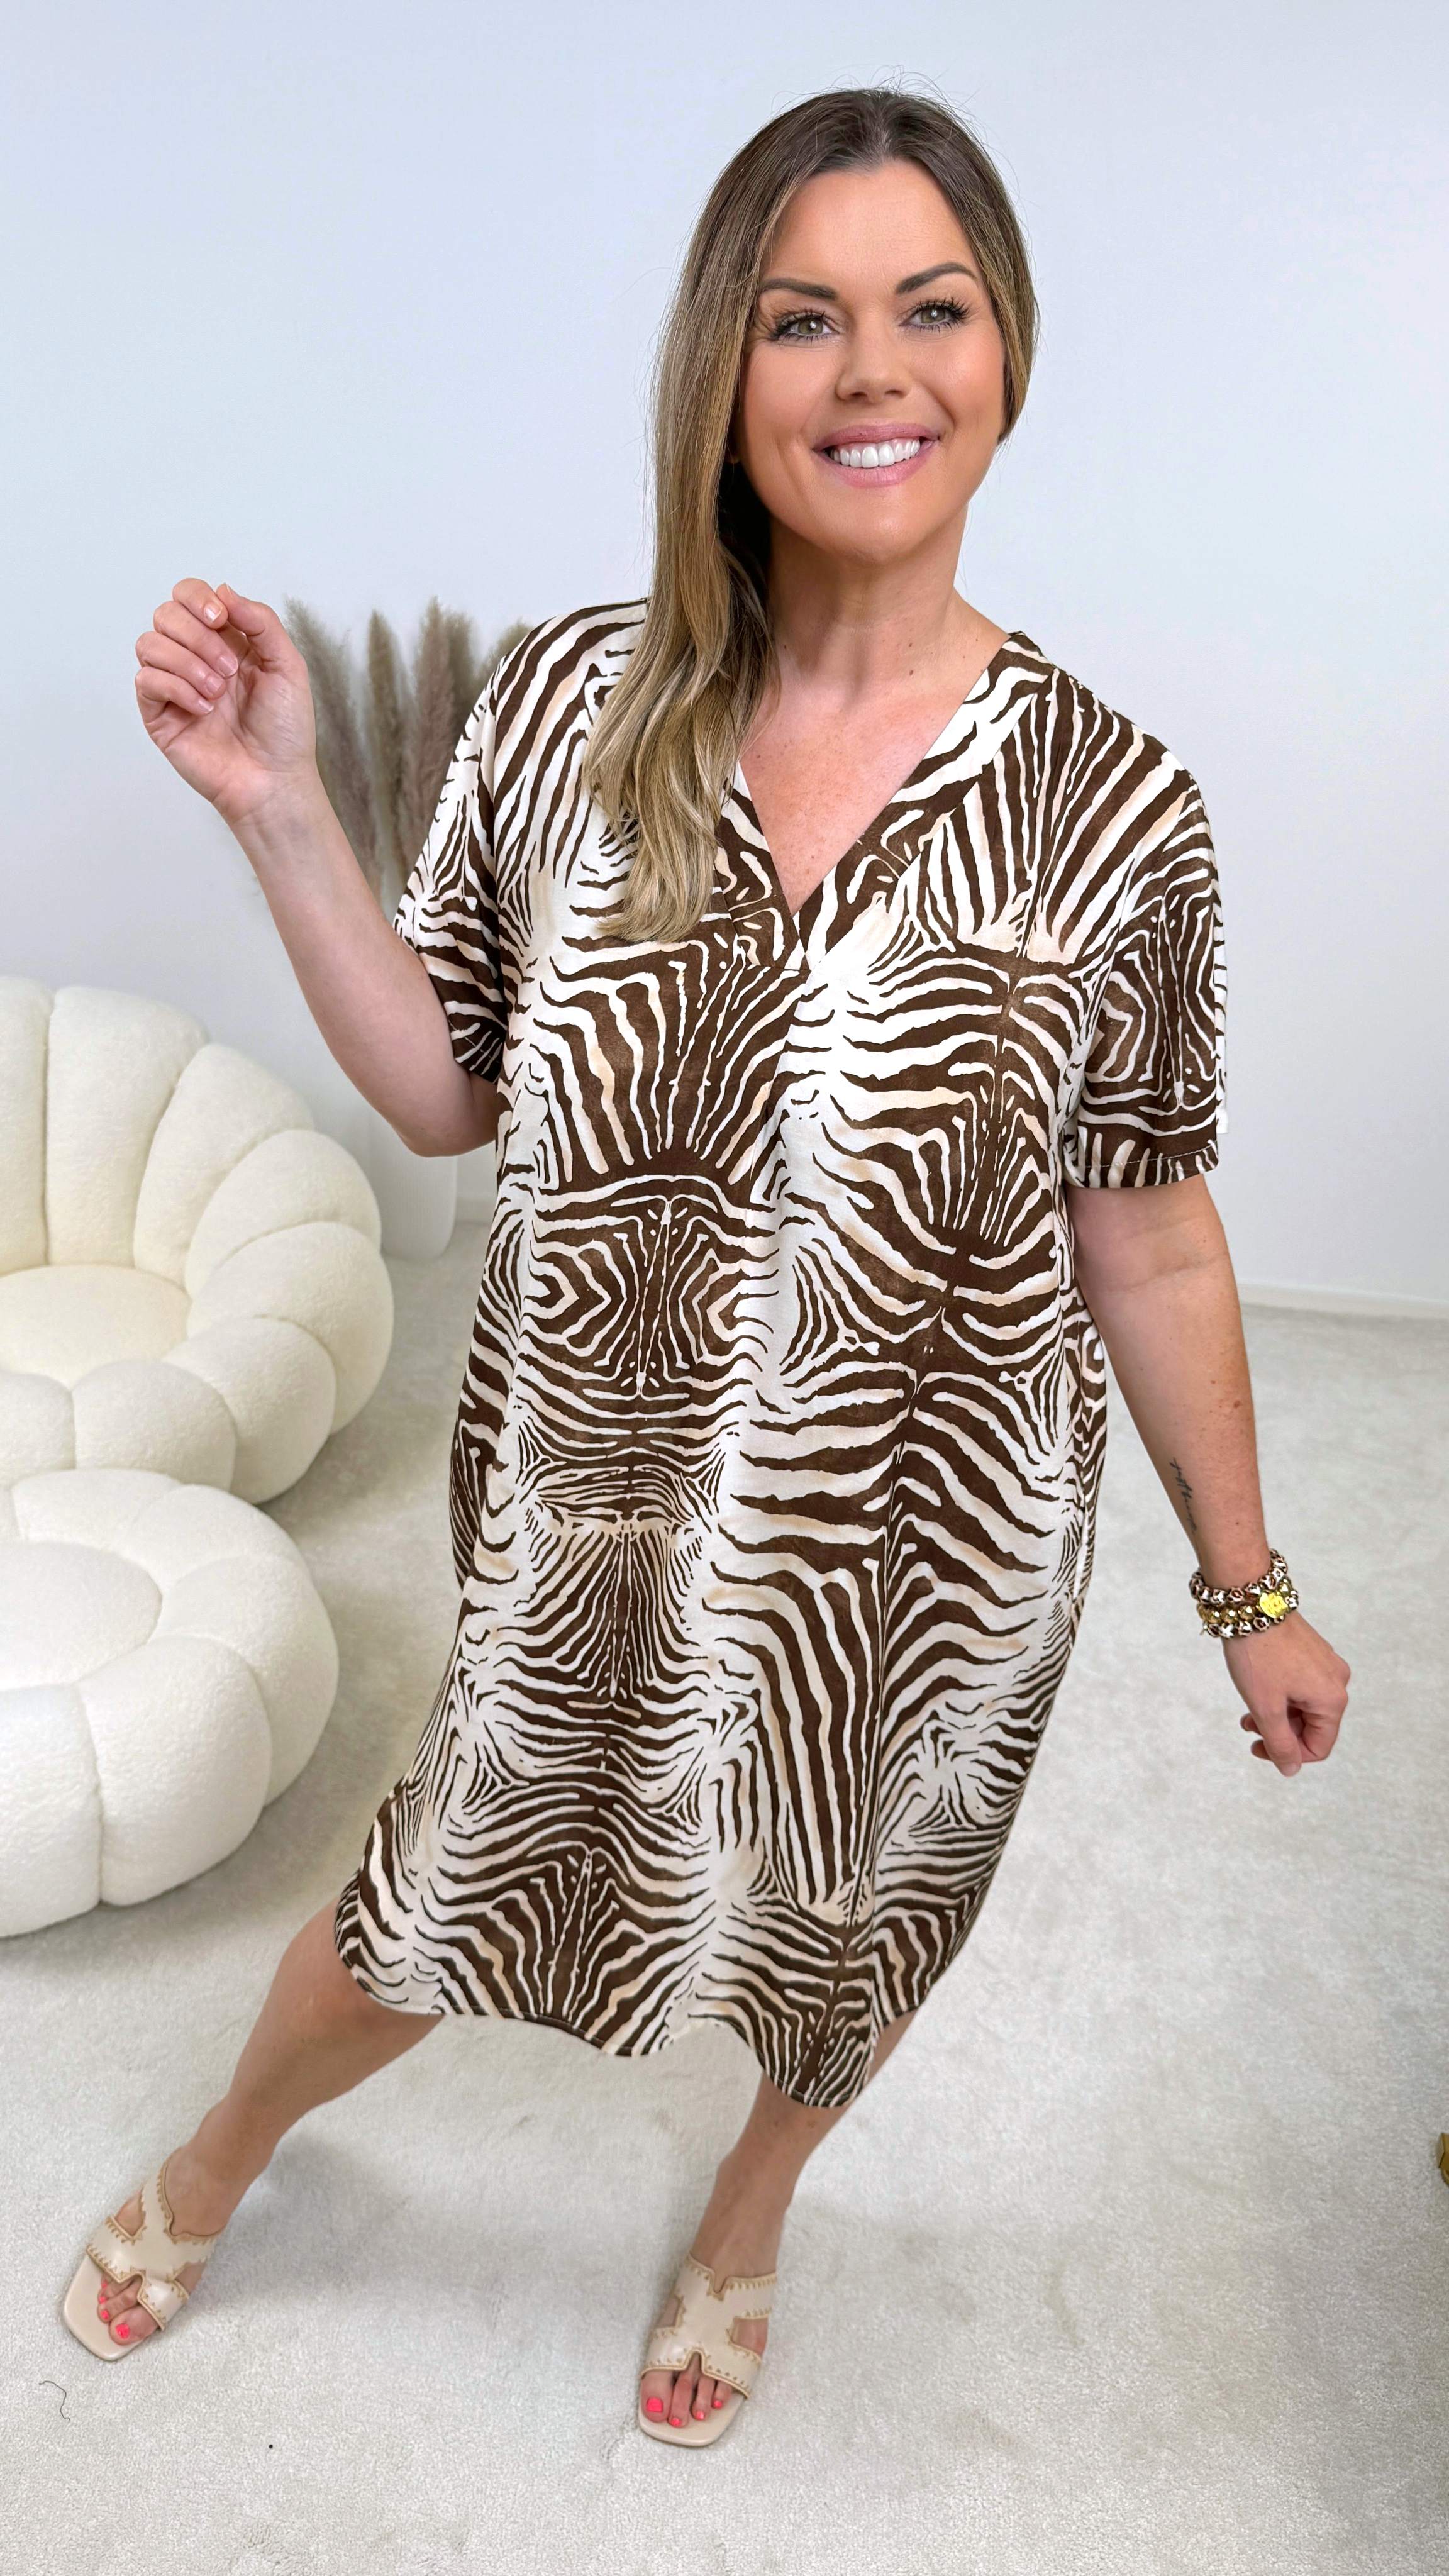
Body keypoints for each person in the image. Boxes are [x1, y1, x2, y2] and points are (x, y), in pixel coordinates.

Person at [62, 86, 1350, 2446]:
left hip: (924, 1580)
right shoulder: (575, 708)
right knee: (431, 1898)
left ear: (1008, 348)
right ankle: (225, 2151)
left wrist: (1247, 1586)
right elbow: (442, 1092)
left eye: (932, 308)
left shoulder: (1119, 813)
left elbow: (1150, 1224)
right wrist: (279, 809)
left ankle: (750, 2212)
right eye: (803, 318)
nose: (877, 371)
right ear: (723, 373)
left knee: (855, 1941)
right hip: (596, 1525)